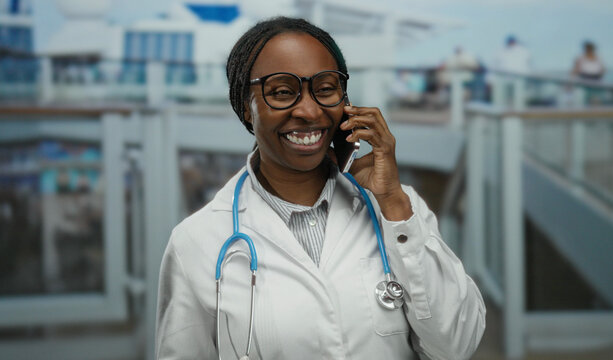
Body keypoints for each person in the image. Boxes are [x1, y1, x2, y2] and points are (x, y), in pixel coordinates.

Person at [155, 17, 485, 359]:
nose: (309, 110)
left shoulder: (399, 210)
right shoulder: (197, 242)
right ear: (246, 108)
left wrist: (392, 204)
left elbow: (456, 346)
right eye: (281, 92)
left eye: (325, 88)